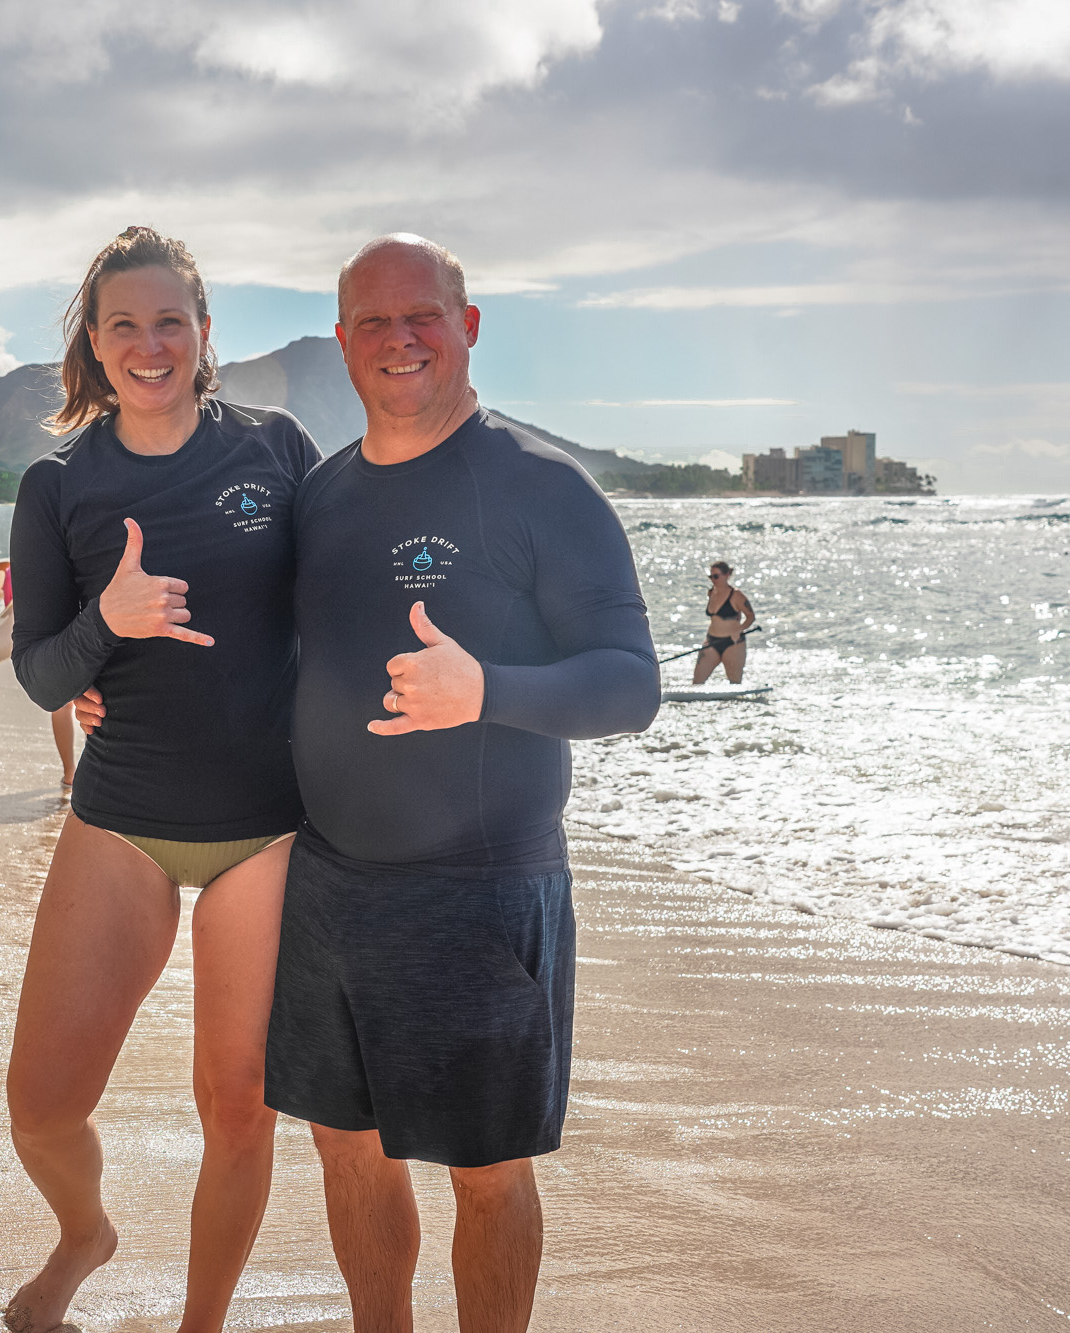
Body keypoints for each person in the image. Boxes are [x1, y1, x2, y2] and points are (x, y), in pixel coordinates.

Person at [267, 235, 659, 1333]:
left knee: (483, 1169)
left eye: (422, 315)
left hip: (480, 890)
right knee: (343, 1148)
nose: (400, 339)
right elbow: (278, 656)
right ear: (342, 342)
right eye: (373, 322)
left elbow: (629, 685)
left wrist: (483, 686)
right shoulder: (323, 495)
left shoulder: (539, 487)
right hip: (326, 882)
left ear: (468, 325)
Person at [2, 225, 321, 1333]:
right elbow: (37, 666)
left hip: (269, 829)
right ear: (93, 343)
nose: (149, 344)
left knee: (236, 1105)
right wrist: (108, 622)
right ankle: (84, 1233)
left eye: (169, 321)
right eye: (124, 325)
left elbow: (345, 602)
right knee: (41, 1109)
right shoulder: (58, 486)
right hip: (124, 817)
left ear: (201, 331)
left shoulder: (276, 448)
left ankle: (201, 1324)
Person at [695, 560, 755, 685]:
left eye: (716, 576)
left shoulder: (736, 595)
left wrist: (739, 630)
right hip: (712, 641)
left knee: (734, 682)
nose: (713, 579)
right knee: (697, 682)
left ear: (727, 575)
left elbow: (750, 616)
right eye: (710, 576)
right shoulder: (711, 592)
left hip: (733, 643)